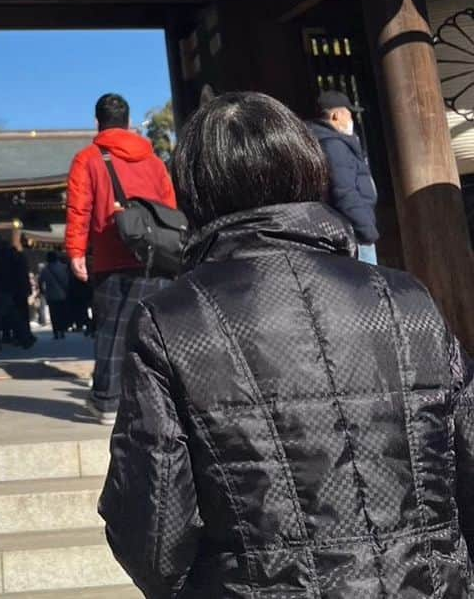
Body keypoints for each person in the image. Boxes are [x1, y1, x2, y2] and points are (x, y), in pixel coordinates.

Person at [101, 91, 474, 598]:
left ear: (196, 190)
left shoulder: (171, 322)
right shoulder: (405, 298)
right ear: (306, 168)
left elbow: (151, 526)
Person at [66, 92, 177, 424]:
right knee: (155, 332)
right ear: (129, 123)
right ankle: (160, 400)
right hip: (156, 256)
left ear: (97, 122)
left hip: (112, 255)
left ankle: (107, 402)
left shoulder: (88, 158)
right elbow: (170, 208)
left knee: (111, 331)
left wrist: (75, 251)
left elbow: (79, 208)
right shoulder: (154, 160)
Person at [305, 88, 379, 263]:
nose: (352, 120)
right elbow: (344, 191)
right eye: (349, 115)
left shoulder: (322, 141)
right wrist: (366, 230)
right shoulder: (334, 145)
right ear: (336, 116)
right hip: (354, 232)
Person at [39, 250, 71, 339]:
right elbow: (67, 280)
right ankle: (62, 330)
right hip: (63, 294)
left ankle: (56, 332)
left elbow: (41, 281)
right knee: (62, 313)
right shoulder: (63, 267)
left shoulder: (45, 269)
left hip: (51, 295)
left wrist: (42, 291)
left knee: (54, 314)